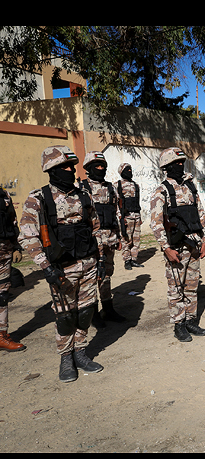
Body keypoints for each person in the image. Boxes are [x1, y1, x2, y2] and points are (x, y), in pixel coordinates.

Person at [19, 146, 104, 382]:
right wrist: (45, 267)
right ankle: (66, 358)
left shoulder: (83, 195)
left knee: (86, 312)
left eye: (71, 166)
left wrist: (101, 259)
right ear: (52, 170)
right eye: (64, 167)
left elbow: (95, 228)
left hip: (88, 264)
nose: (70, 170)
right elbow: (27, 235)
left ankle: (81, 352)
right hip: (61, 269)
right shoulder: (39, 198)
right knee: (66, 316)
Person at [149, 147, 205, 342]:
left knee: (192, 285)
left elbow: (200, 213)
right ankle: (179, 324)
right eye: (176, 163)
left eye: (182, 162)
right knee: (176, 287)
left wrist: (204, 240)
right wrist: (166, 248)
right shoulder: (162, 190)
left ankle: (191, 320)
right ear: (166, 166)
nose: (180, 165)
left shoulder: (191, 186)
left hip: (194, 244)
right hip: (176, 247)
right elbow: (156, 222)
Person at [81, 152, 126, 324]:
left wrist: (119, 236)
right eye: (96, 166)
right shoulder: (82, 188)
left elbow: (115, 212)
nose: (100, 169)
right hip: (92, 241)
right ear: (88, 168)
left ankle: (108, 309)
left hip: (110, 239)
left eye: (102, 166)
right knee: (92, 276)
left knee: (107, 274)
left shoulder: (110, 187)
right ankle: (93, 313)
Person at [0, 184, 25, 352]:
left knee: (2, 294)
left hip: (4, 251)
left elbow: (12, 221)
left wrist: (16, 247)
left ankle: (2, 335)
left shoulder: (3, 194)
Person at [117, 163, 144, 270]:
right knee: (126, 239)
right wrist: (120, 217)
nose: (129, 171)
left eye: (130, 169)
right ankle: (127, 260)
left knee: (136, 239)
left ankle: (134, 259)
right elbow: (117, 203)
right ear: (121, 172)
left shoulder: (136, 185)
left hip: (136, 215)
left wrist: (140, 217)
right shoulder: (117, 185)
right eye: (126, 170)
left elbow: (137, 201)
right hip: (126, 216)